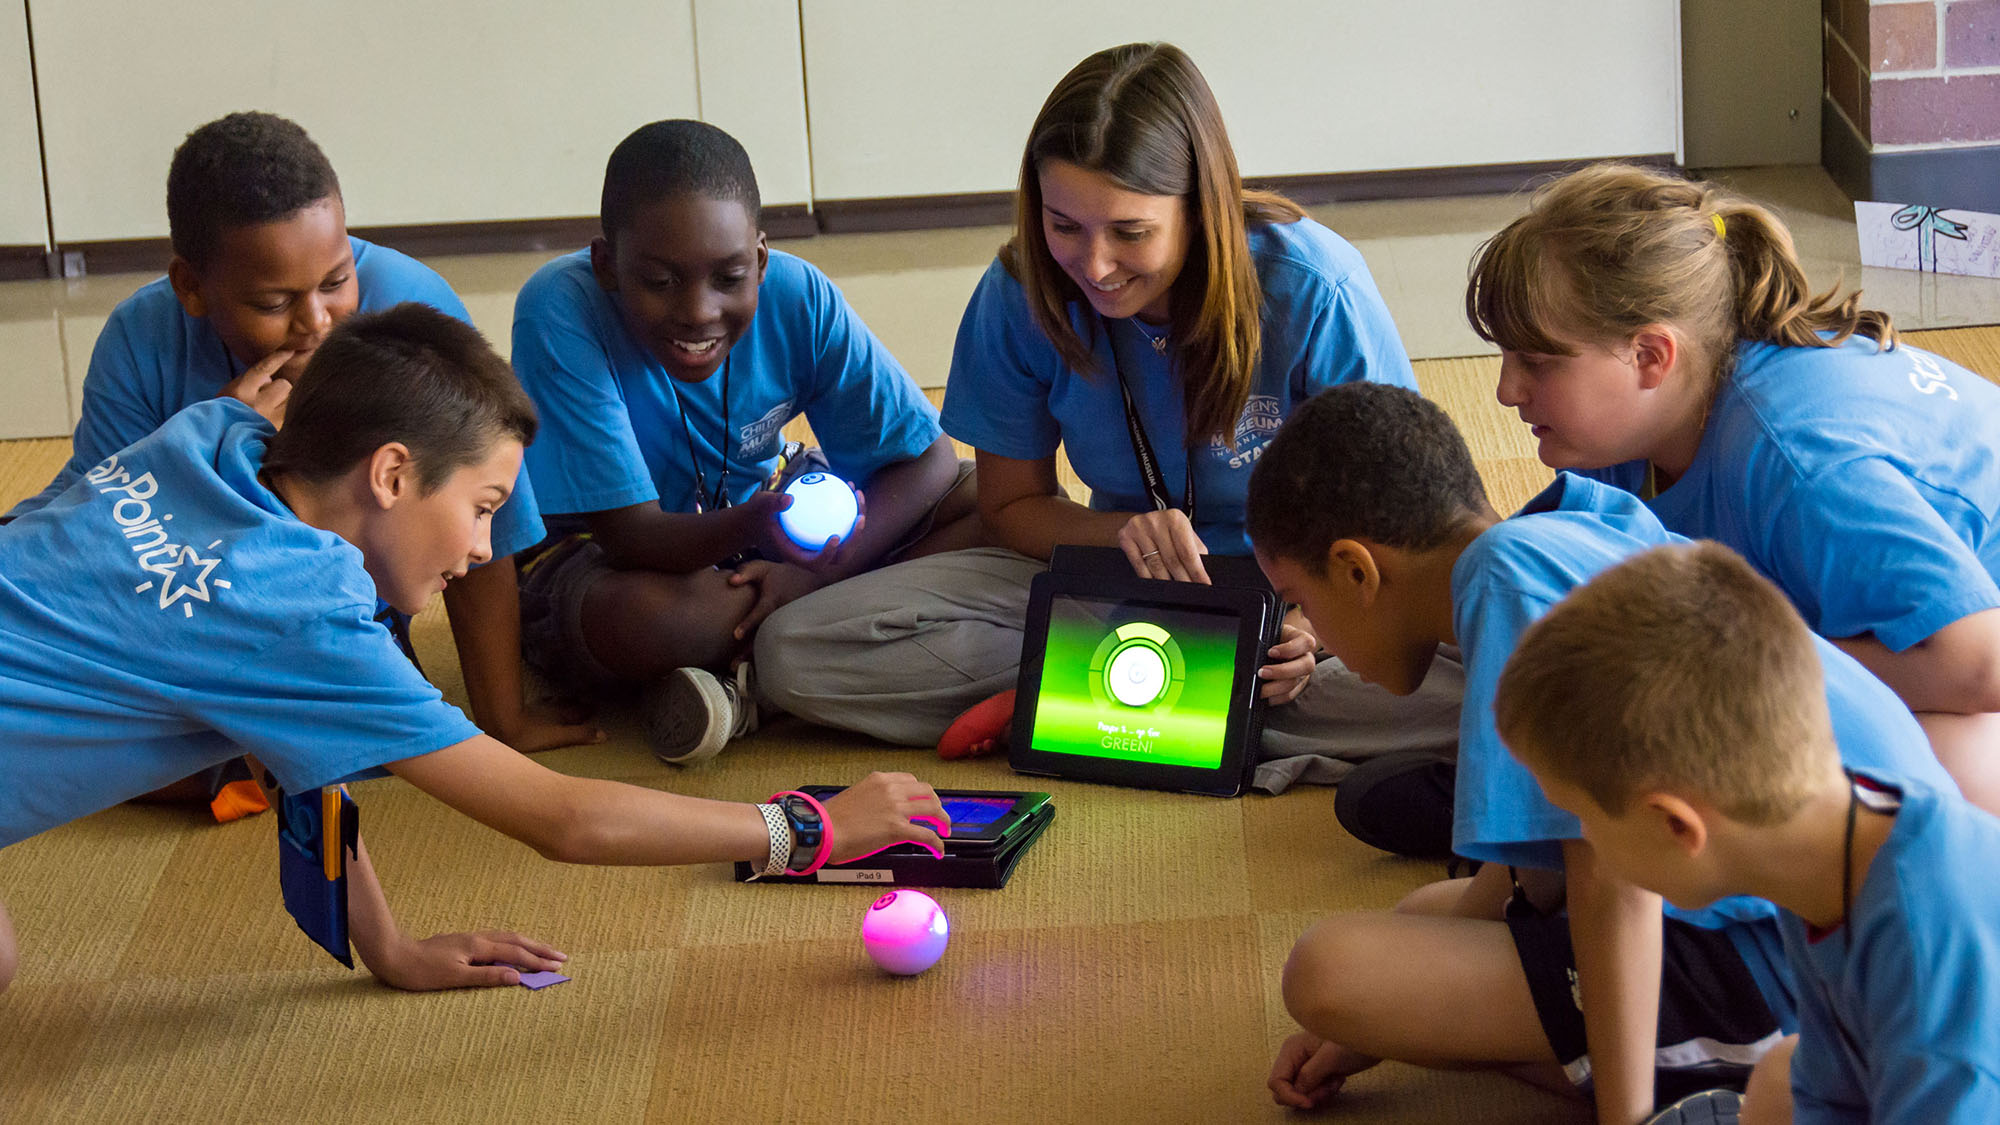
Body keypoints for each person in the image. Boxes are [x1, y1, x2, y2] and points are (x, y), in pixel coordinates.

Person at [0, 305, 949, 996]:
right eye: (484, 508)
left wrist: (394, 949)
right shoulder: (297, 617)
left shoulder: (215, 433)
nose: (486, 549)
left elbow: (294, 733)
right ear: (391, 471)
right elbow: (566, 819)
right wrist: (806, 830)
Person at [755, 42, 1459, 796]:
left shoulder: (1316, 287)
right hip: (1113, 578)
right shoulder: (1022, 290)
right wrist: (1118, 531)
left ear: (1200, 206)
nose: (1093, 266)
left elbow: (1404, 516)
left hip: (1296, 591)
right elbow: (1010, 508)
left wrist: (1317, 628)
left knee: (1487, 681)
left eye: (1130, 232)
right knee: (795, 649)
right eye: (1064, 226)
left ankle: (1083, 702)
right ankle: (1184, 712)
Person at [1244, 384, 1954, 1122]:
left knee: (1327, 972)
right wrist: (1370, 1035)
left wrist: (1626, 1116)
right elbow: (1533, 877)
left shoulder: (1505, 582)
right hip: (1820, 899)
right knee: (1423, 913)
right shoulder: (1569, 525)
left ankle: (1697, 1084)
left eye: (1301, 597)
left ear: (1357, 570)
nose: (1307, 627)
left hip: (1793, 955)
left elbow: (1611, 881)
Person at [4, 110, 593, 771]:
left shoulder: (406, 307)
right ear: (192, 289)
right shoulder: (144, 339)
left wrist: (502, 717)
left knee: (336, 741)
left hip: (346, 608)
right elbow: (101, 529)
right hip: (186, 616)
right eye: (274, 303)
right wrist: (209, 437)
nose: (317, 321)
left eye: (338, 280)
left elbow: (485, 524)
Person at [1467, 162, 2000, 810]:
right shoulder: (1631, 429)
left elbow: (1979, 664)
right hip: (1895, 635)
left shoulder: (1798, 461)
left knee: (1938, 769)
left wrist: (1736, 669)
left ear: (1650, 356)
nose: (1505, 390)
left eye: (1537, 362)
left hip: (1973, 670)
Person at [509, 120, 975, 765]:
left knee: (982, 501)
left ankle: (748, 682)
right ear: (607, 264)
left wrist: (810, 572)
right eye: (661, 281)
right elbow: (631, 535)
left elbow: (929, 459)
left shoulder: (798, 293)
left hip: (759, 521)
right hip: (606, 552)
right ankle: (801, 655)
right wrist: (774, 534)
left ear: (759, 259)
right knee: (661, 620)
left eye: (728, 278)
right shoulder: (559, 308)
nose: (698, 311)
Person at [1495, 542, 2000, 1123]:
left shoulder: (1928, 971)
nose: (1580, 836)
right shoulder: (1826, 846)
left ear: (1675, 825)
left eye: (1581, 817)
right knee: (1783, 1075)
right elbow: (1828, 1090)